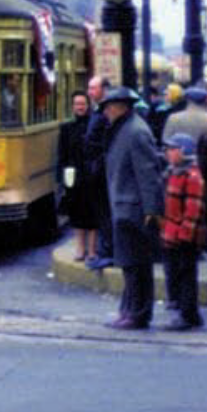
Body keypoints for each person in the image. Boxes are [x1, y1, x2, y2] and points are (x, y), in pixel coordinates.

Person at [101, 86, 164, 330]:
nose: (106, 111)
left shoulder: (135, 131)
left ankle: (137, 313)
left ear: (121, 106)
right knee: (130, 264)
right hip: (125, 207)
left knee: (137, 264)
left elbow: (149, 174)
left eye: (108, 106)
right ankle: (129, 310)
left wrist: (151, 210)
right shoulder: (126, 128)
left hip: (133, 209)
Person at [158, 133, 206, 330]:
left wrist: (184, 236)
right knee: (179, 274)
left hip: (183, 237)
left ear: (183, 152)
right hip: (171, 234)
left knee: (186, 276)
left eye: (172, 149)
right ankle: (187, 313)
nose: (168, 153)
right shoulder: (174, 172)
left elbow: (192, 210)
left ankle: (188, 315)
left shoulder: (191, 176)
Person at [56, 90, 100, 267]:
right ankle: (80, 249)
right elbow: (62, 154)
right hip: (73, 177)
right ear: (72, 107)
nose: (80, 107)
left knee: (93, 214)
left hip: (92, 176)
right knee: (76, 214)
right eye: (77, 104)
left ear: (88, 105)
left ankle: (92, 250)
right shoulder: (66, 128)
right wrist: (61, 178)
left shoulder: (94, 125)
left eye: (82, 104)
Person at [83, 76, 115, 270]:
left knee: (105, 213)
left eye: (93, 88)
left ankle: (108, 252)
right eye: (89, 88)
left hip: (101, 171)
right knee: (102, 212)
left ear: (104, 89)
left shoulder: (105, 112)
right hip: (96, 169)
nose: (89, 92)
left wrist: (97, 166)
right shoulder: (99, 110)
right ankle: (105, 251)